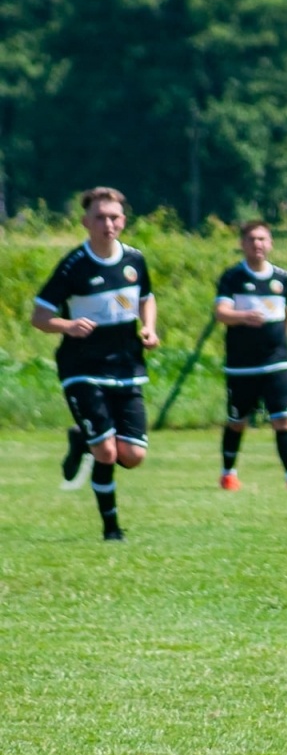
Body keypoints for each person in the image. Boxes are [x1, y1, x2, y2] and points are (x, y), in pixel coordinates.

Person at [31, 187, 159, 540]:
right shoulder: (73, 265)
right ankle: (111, 529)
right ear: (86, 222)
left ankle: (81, 439)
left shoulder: (134, 260)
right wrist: (68, 325)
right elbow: (40, 316)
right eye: (100, 217)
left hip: (126, 366)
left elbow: (147, 298)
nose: (108, 224)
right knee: (105, 451)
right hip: (82, 367)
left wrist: (149, 327)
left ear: (124, 221)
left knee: (132, 455)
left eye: (114, 217)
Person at [214, 220, 287, 491]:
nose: (257, 244)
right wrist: (243, 316)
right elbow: (221, 313)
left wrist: (281, 342)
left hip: (277, 363)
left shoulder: (282, 278)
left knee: (284, 419)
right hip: (242, 366)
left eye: (262, 239)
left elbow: (286, 314)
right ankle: (228, 472)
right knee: (238, 422)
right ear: (242, 244)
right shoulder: (232, 277)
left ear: (270, 243)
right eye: (252, 239)